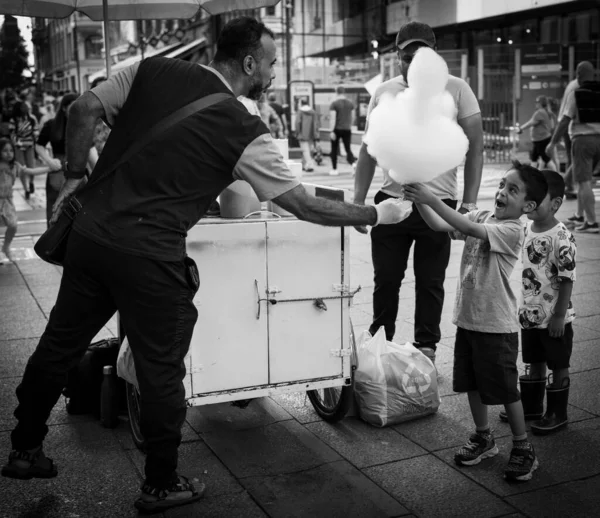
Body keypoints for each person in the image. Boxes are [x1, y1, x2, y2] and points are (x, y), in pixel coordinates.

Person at [1, 17, 409, 514]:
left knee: (61, 341)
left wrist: (71, 177)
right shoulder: (244, 129)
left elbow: (85, 107)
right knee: (161, 369)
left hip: (89, 235)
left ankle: (24, 448)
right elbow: (301, 205)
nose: (275, 72)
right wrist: (374, 214)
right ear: (249, 63)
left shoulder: (150, 70)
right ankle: (160, 482)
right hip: (150, 256)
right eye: (273, 62)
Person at [403, 160, 547, 482]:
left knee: (506, 390)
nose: (502, 193)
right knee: (471, 383)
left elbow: (468, 230)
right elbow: (441, 225)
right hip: (468, 319)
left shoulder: (513, 230)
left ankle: (523, 447)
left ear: (528, 206)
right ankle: (483, 436)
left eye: (513, 190)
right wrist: (418, 200)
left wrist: (430, 198)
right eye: (502, 185)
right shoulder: (483, 214)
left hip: (496, 325)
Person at [353, 21, 484, 364]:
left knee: (430, 282)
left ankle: (426, 348)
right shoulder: (384, 92)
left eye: (419, 55)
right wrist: (357, 202)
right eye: (405, 56)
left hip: (439, 206)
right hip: (391, 203)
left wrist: (468, 204)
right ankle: (380, 347)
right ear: (397, 56)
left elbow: (476, 149)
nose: (411, 63)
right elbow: (367, 151)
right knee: (386, 281)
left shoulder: (457, 89)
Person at [499, 170, 576, 435]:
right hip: (530, 315)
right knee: (533, 360)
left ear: (555, 203)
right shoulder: (525, 228)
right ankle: (531, 405)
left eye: (537, 198)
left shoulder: (561, 237)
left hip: (555, 317)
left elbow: (567, 279)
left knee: (558, 363)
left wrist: (558, 316)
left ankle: (557, 412)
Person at [547, 61, 599, 234]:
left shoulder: (575, 94)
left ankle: (591, 222)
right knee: (583, 179)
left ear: (578, 74)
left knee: (583, 182)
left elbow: (565, 120)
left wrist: (553, 142)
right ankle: (580, 215)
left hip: (582, 140)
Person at [0, 138, 52, 263]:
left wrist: (49, 168)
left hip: (7, 201)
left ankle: (6, 246)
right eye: (4, 151)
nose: (8, 153)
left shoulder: (15, 166)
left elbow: (31, 171)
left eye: (11, 150)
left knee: (13, 225)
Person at [35, 93, 79, 225]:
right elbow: (39, 145)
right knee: (55, 208)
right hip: (57, 170)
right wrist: (49, 160)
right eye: (73, 106)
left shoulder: (83, 124)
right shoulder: (52, 124)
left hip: (79, 169)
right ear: (64, 108)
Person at [9, 100, 38, 199]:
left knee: (31, 166)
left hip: (30, 145)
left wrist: (36, 142)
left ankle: (31, 182)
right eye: (22, 107)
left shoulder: (32, 119)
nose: (25, 108)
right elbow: (12, 133)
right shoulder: (14, 120)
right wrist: (17, 143)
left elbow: (36, 131)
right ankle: (26, 189)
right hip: (18, 146)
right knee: (21, 169)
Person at [557, 78, 579, 198]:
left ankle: (569, 186)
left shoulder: (572, 84)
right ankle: (566, 181)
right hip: (570, 125)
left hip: (566, 124)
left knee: (572, 157)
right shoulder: (577, 86)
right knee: (578, 156)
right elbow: (568, 114)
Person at [517, 95, 553, 169]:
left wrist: (521, 128)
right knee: (534, 157)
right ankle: (534, 174)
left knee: (545, 158)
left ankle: (555, 172)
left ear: (540, 103)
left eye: (537, 102)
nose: (535, 104)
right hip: (541, 139)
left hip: (541, 139)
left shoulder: (540, 112)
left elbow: (531, 123)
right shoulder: (543, 112)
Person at [328, 86, 355, 176]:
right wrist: (349, 125)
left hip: (337, 129)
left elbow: (333, 118)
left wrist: (332, 131)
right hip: (347, 129)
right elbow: (353, 117)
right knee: (347, 148)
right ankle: (353, 164)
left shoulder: (334, 104)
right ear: (344, 92)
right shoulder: (350, 103)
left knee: (334, 149)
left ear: (336, 92)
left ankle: (334, 169)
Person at [295, 98, 319, 172]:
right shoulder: (313, 112)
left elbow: (297, 123)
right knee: (309, 149)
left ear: (301, 103)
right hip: (311, 134)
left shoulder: (300, 112)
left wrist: (297, 132)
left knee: (305, 150)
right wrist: (315, 133)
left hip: (303, 134)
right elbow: (316, 123)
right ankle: (304, 164)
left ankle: (309, 165)